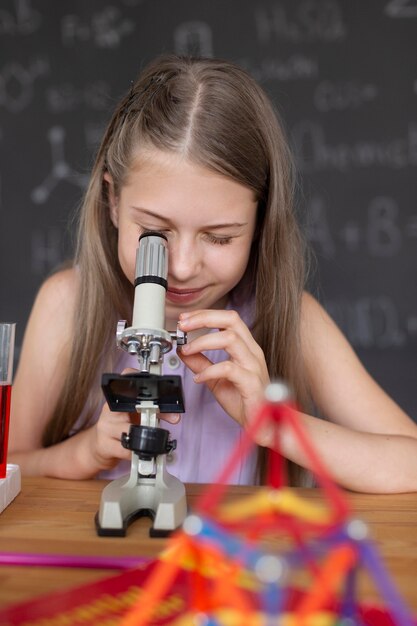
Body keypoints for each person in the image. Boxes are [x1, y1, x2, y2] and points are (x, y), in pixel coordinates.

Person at [8, 55, 417, 492]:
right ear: (112, 201)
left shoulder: (291, 318)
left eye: (219, 237)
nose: (182, 267)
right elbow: (10, 463)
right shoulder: (67, 304)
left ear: (260, 222)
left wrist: (275, 425)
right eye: (154, 232)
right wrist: (85, 452)